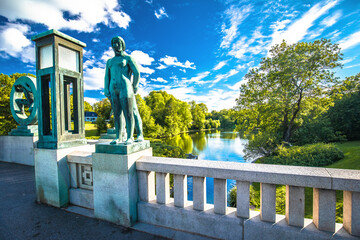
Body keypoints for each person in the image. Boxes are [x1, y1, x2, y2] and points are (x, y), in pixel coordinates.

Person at [104, 36, 142, 144]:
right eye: (114, 43)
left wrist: (134, 86)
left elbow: (137, 73)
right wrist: (106, 88)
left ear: (122, 44)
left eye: (118, 42)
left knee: (129, 113)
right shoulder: (109, 61)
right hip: (113, 88)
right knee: (117, 114)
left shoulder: (128, 58)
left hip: (125, 87)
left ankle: (130, 137)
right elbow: (107, 76)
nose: (116, 45)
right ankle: (118, 137)